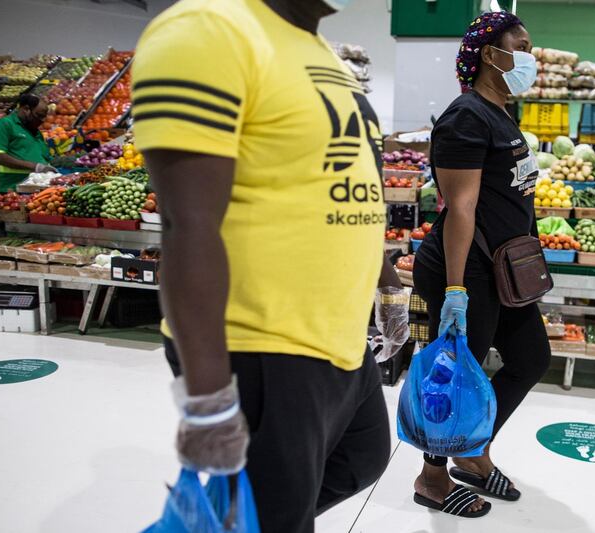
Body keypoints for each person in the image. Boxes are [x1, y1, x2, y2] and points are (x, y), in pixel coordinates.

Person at [132, 1, 408, 532]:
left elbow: (346, 186)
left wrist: (387, 284)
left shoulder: (320, 51)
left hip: (338, 337)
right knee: (281, 515)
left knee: (362, 458)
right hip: (260, 342)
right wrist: (207, 399)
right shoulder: (208, 30)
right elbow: (186, 225)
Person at [411, 11, 551, 518]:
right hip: (464, 270)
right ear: (492, 55)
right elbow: (461, 207)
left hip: (502, 270)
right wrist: (454, 291)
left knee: (531, 358)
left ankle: (469, 452)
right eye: (524, 45)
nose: (532, 57)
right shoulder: (466, 116)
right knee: (452, 377)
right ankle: (431, 478)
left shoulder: (500, 112)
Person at [0, 94, 55, 192]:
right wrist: (35, 167)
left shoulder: (36, 131)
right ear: (26, 109)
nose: (43, 120)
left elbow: (45, 157)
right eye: (39, 116)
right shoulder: (4, 125)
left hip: (36, 188)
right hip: (13, 189)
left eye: (44, 116)